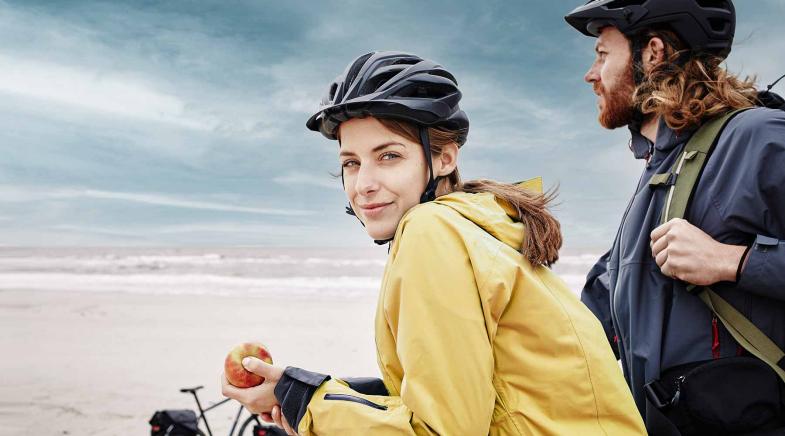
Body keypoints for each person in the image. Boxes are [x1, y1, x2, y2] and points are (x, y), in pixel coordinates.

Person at [221, 51, 645, 435]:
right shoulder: (478, 227)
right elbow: (474, 398)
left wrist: (305, 404)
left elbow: (444, 431)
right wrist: (306, 393)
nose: (364, 184)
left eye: (389, 156)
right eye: (351, 163)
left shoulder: (431, 231)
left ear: (444, 158)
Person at [565, 0, 785, 434]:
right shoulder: (661, 177)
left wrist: (734, 262)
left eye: (603, 55)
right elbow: (587, 320)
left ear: (653, 52)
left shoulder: (759, 137)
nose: (591, 74)